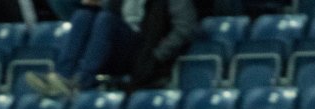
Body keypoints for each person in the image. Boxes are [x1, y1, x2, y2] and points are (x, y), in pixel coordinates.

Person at [25, 0, 197, 97]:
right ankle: (63, 75)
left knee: (106, 20)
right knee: (83, 15)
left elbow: (185, 27)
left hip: (142, 54)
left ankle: (82, 82)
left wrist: (157, 55)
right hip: (113, 49)